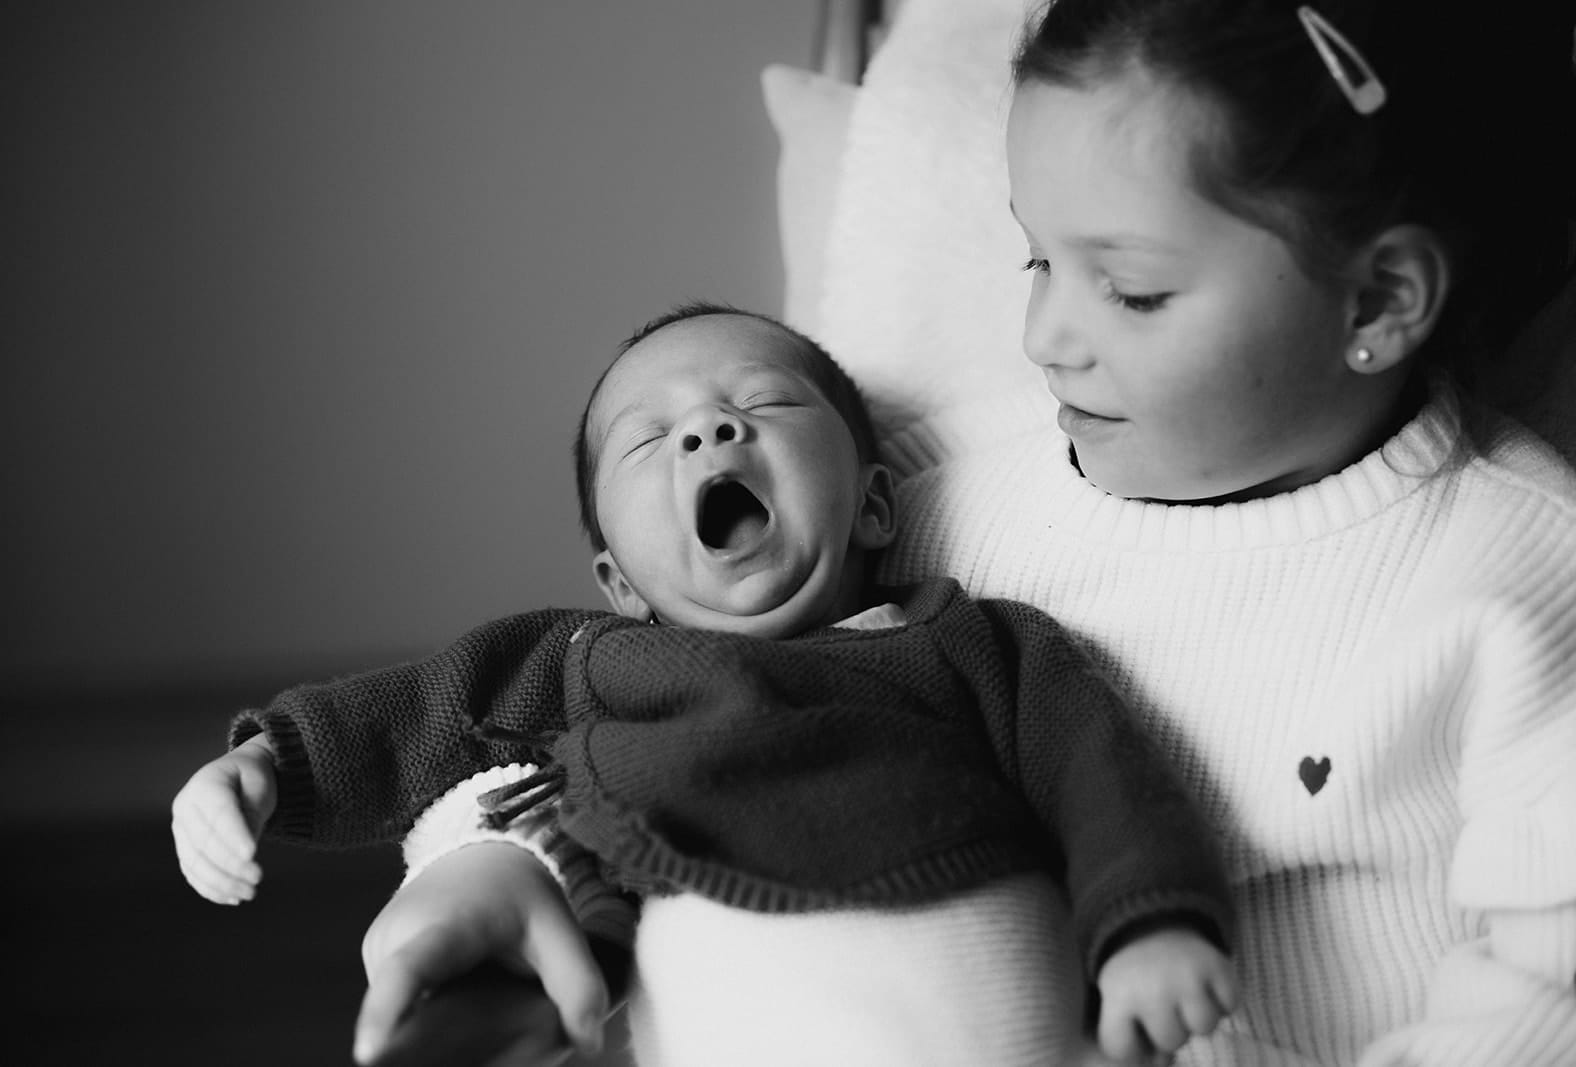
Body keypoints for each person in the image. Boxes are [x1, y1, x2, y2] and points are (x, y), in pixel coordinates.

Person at [358, 2, 1576, 1065]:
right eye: (1036, 256)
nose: (1047, 334)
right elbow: (684, 702)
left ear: (1376, 300)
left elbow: (1549, 986)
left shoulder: (1520, 573)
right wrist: (497, 861)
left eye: (1130, 289)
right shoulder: (952, 491)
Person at [171, 303, 1239, 1066]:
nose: (709, 427)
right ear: (618, 581)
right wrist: (266, 764)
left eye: (763, 402)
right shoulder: (592, 657)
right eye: (649, 437)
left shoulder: (976, 644)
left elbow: (1099, 769)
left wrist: (1147, 921)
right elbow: (425, 711)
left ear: (874, 507)